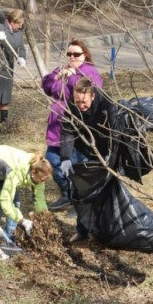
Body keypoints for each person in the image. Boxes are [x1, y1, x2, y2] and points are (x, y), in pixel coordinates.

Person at [41, 39, 103, 214]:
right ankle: (67, 193)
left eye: (76, 54)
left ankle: (81, 201)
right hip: (56, 126)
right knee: (53, 160)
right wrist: (56, 76)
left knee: (77, 165)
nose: (72, 57)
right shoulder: (62, 68)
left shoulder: (89, 71)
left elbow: (93, 91)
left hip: (77, 126)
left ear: (85, 55)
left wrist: (72, 75)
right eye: (69, 54)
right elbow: (46, 86)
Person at [60, 78, 117, 243]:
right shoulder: (72, 104)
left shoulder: (107, 105)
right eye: (77, 101)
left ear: (92, 96)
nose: (80, 106)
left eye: (84, 102)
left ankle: (100, 232)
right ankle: (82, 230)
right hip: (82, 147)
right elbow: (67, 131)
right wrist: (65, 157)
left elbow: (115, 132)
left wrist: (111, 156)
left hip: (105, 149)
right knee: (81, 190)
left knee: (103, 193)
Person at [0, 145, 52, 260]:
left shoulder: (39, 173)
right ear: (33, 172)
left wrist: (45, 218)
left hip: (2, 171)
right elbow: (5, 201)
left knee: (16, 203)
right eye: (41, 180)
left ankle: (9, 240)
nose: (42, 182)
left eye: (44, 180)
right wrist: (22, 220)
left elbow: (39, 199)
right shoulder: (16, 171)